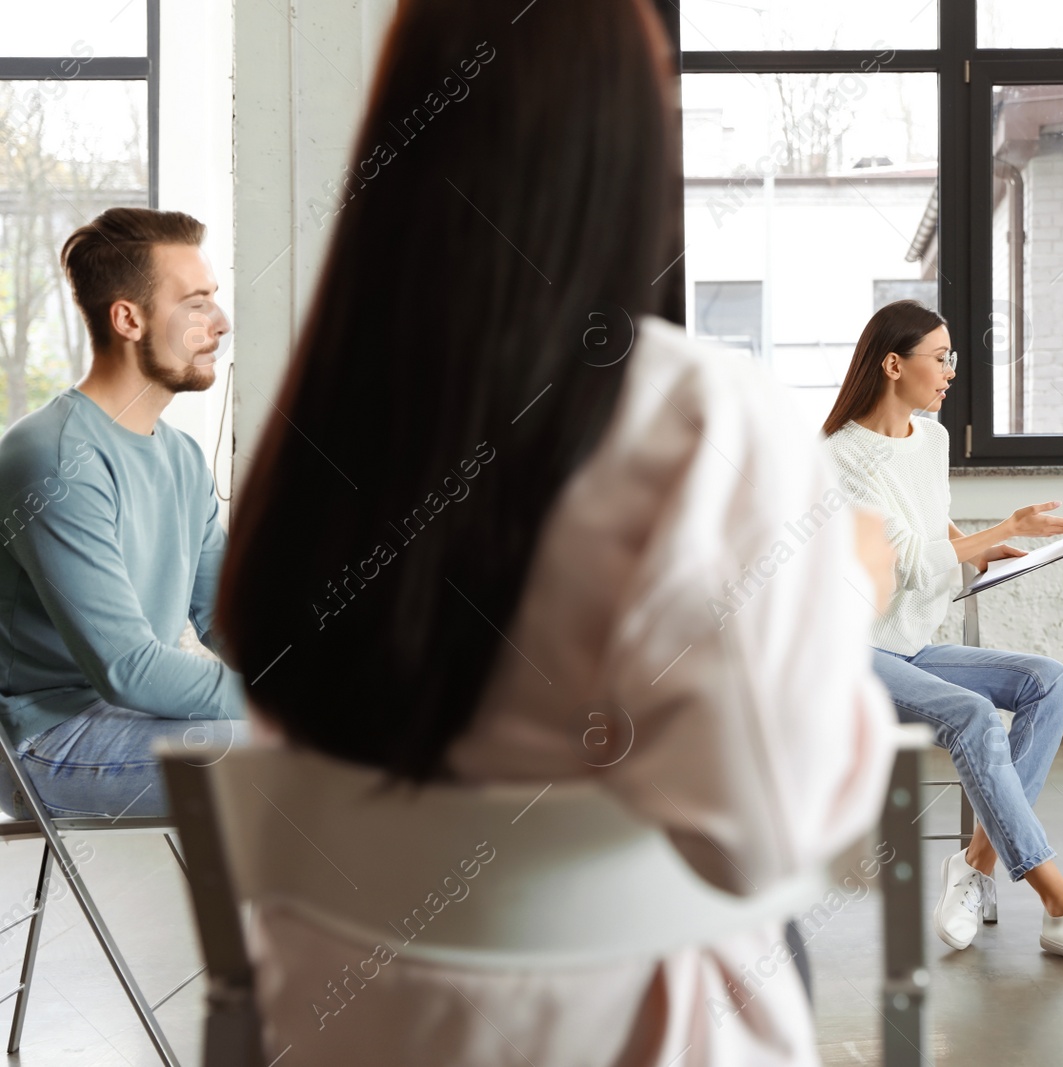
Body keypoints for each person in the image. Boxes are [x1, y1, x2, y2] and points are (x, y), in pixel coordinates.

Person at [214, 1, 898, 1064]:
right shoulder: (700, 418)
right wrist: (850, 583)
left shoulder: (329, 418)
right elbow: (764, 827)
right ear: (617, 149)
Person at [822, 299, 1063, 970]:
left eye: (952, 358)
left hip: (910, 641)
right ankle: (1061, 906)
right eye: (939, 357)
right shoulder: (841, 455)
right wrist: (1005, 529)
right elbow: (909, 562)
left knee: (1051, 681)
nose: (949, 371)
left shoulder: (932, 439)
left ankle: (975, 863)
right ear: (892, 364)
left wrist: (1010, 548)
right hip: (852, 651)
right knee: (973, 714)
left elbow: (936, 534)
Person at [0, 207, 243, 819]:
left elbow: (223, 615)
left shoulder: (181, 457)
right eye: (195, 304)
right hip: (47, 741)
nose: (219, 322)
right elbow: (128, 668)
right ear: (129, 318)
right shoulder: (54, 460)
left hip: (131, 721)